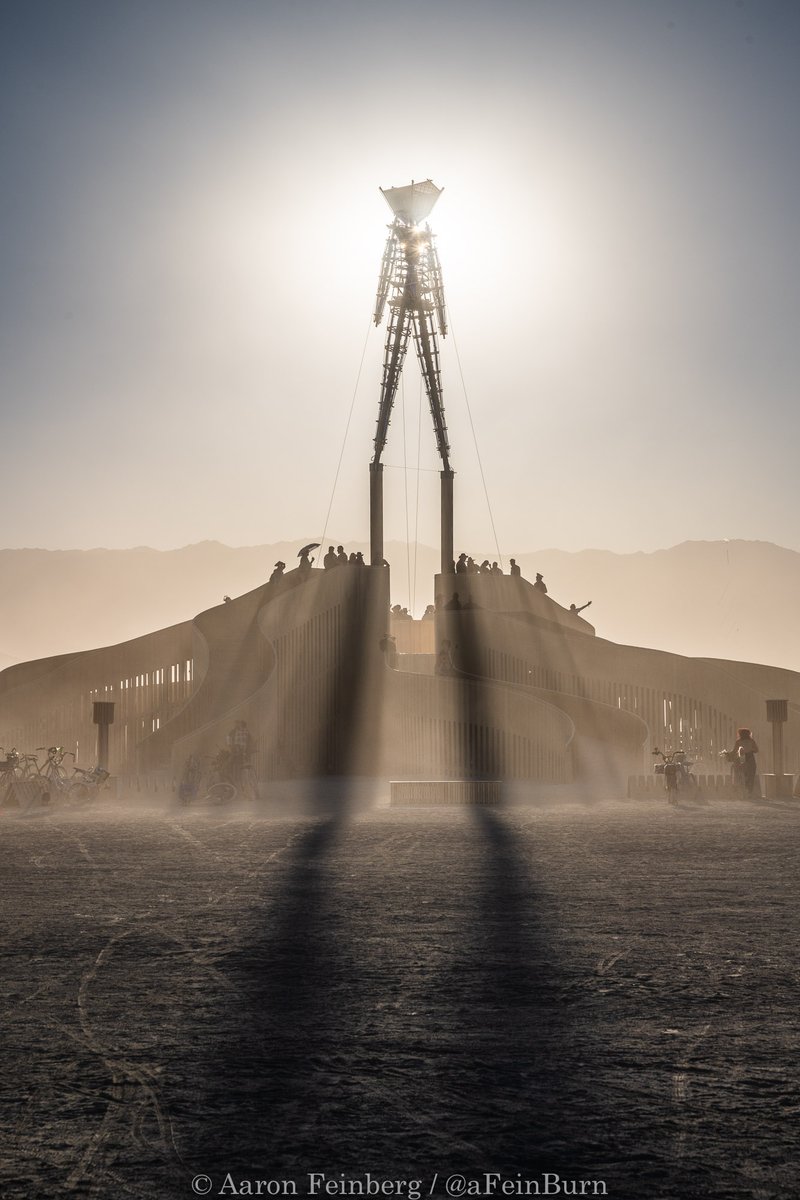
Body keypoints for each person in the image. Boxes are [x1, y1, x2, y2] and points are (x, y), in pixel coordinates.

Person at [734, 727, 760, 797]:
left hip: (742, 758)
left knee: (743, 775)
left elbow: (735, 751)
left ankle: (743, 790)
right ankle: (749, 791)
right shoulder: (751, 741)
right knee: (751, 775)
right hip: (750, 758)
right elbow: (756, 750)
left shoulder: (738, 742)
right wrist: (750, 749)